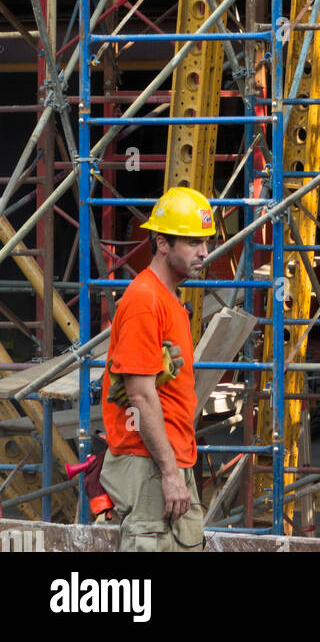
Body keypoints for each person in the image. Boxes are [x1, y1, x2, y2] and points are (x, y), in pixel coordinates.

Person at [99, 184, 215, 552]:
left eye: (205, 242)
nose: (204, 253)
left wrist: (175, 468)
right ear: (162, 243)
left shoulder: (166, 299)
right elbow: (140, 394)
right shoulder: (146, 300)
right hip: (148, 464)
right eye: (193, 243)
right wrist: (169, 473)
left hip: (165, 459)